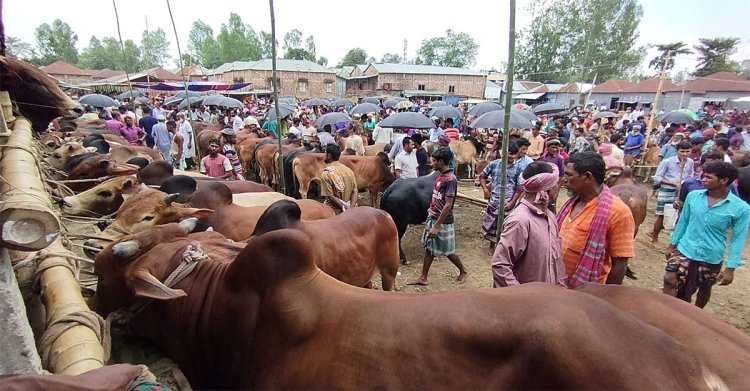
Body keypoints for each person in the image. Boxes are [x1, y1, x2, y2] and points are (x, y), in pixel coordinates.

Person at [664, 162, 750, 308]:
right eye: (703, 176)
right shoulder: (693, 197)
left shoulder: (741, 208)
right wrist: (672, 245)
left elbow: (738, 239)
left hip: (711, 254)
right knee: (669, 278)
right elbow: (683, 222)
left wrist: (730, 268)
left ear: (723, 181)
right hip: (685, 248)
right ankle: (670, 311)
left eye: (708, 177)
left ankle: (697, 314)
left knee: (704, 288)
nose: (703, 179)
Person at [558, 151, 635, 286]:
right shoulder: (571, 204)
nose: (563, 179)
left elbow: (620, 264)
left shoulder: (618, 212)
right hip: (556, 283)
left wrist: (606, 297)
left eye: (568, 175)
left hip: (587, 291)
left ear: (587, 177)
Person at [492, 161, 566, 287]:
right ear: (546, 190)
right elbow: (500, 265)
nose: (558, 187)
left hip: (548, 297)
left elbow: (556, 259)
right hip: (526, 302)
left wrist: (560, 287)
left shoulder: (550, 217)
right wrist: (522, 296)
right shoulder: (520, 221)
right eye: (555, 184)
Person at [407, 147, 468, 285]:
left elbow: (448, 205)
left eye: (434, 161)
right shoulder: (440, 175)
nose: (431, 163)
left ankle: (463, 271)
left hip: (443, 221)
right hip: (433, 217)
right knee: (429, 248)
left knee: (448, 251)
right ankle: (423, 278)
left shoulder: (450, 179)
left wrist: (436, 226)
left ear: (441, 162)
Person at [479, 140, 526, 250]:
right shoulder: (494, 164)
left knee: (506, 225)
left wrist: (512, 202)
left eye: (514, 154)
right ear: (504, 152)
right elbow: (482, 176)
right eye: (510, 153)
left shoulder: (518, 168)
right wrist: (485, 189)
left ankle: (502, 247)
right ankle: (492, 245)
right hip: (494, 199)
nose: (512, 156)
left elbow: (519, 188)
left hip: (508, 201)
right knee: (492, 223)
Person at [648, 140, 694, 244]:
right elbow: (657, 177)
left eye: (687, 151)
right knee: (663, 214)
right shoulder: (667, 162)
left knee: (678, 214)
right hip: (667, 190)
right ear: (677, 151)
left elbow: (691, 175)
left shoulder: (690, 162)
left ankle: (674, 240)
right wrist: (673, 184)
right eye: (682, 151)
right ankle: (654, 237)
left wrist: (684, 184)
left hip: (682, 191)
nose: (685, 154)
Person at [319, 144, 358, 214]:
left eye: (325, 154)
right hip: (349, 209)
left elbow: (331, 197)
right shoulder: (349, 171)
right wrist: (351, 209)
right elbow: (355, 191)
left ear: (329, 156)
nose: (324, 156)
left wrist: (344, 208)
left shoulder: (326, 174)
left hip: (334, 212)